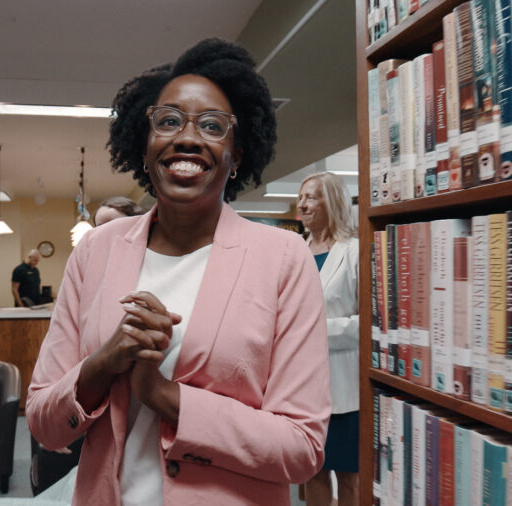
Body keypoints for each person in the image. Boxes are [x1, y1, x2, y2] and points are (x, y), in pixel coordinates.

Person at [26, 38, 331, 505]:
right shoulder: (96, 252)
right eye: (168, 121)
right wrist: (104, 364)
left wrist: (164, 395)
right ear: (144, 148)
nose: (187, 137)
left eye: (212, 125)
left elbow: (302, 448)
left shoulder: (285, 259)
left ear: (238, 154)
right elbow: (44, 422)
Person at [296, 172, 359, 506]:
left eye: (311, 197)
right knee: (313, 471)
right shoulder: (296, 251)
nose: (302, 204)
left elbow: (370, 324)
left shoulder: (354, 252)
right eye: (301, 197)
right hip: (302, 385)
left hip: (344, 386)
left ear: (332, 202)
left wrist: (316, 331)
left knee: (349, 476)